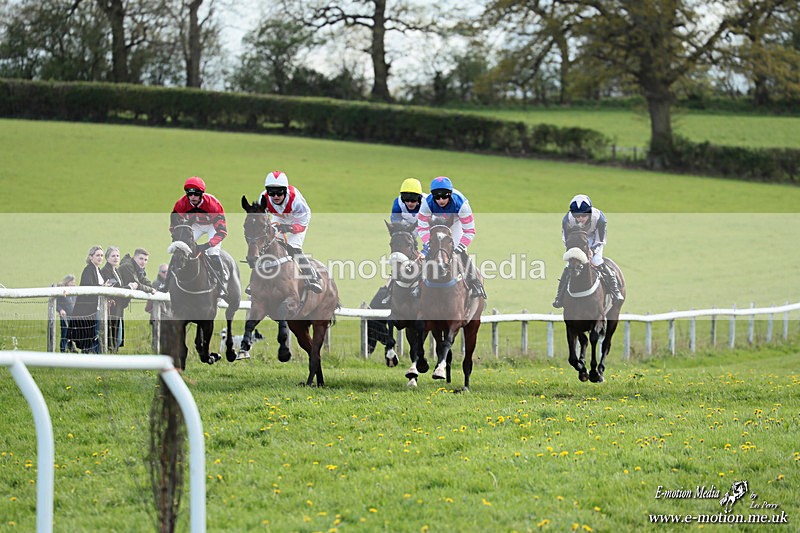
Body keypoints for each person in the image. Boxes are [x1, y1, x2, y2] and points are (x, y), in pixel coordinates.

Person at [417, 176, 486, 299]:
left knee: (460, 253)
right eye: (437, 197)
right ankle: (418, 284)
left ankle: (475, 283)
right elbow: (422, 228)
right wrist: (428, 244)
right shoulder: (426, 203)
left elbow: (469, 230)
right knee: (431, 252)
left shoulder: (461, 204)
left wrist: (460, 247)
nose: (441, 200)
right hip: (436, 223)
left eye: (445, 197)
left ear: (450, 194)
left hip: (455, 223)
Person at [552, 194, 624, 308]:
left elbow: (601, 240)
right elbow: (566, 240)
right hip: (577, 242)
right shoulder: (567, 220)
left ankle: (616, 292)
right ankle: (559, 297)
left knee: (597, 260)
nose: (580, 219)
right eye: (577, 216)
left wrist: (592, 251)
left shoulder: (600, 219)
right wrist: (575, 251)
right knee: (568, 266)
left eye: (583, 216)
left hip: (595, 240)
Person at [257, 170, 322, 293]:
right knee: (267, 245)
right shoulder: (263, 198)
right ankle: (259, 278)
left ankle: (313, 277)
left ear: (285, 190)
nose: (275, 196)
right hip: (279, 217)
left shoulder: (297, 202)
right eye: (271, 192)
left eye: (279, 192)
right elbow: (261, 218)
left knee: (292, 247)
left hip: (298, 220)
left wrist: (289, 228)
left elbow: (301, 225)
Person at [170, 176, 229, 296]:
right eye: (189, 194)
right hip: (196, 224)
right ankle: (167, 282)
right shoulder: (181, 204)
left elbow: (222, 232)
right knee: (179, 249)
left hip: (213, 226)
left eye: (196, 194)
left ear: (202, 194)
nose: (192, 197)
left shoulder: (213, 205)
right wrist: (177, 240)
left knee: (213, 252)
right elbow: (174, 226)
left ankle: (221, 283)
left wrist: (207, 245)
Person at [69, 245, 110, 353]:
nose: (100, 258)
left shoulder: (99, 270)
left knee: (93, 333)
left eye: (101, 255)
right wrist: (102, 287)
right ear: (91, 257)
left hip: (95, 307)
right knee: (86, 333)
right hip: (85, 308)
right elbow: (88, 286)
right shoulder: (88, 270)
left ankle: (93, 354)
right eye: (97, 255)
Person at [55, 274, 77, 353]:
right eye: (72, 282)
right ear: (67, 282)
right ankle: (63, 349)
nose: (73, 284)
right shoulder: (61, 291)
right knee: (65, 333)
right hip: (65, 315)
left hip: (73, 315)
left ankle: (71, 347)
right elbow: (56, 304)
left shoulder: (75, 291)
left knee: (72, 332)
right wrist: (61, 310)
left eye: (74, 282)